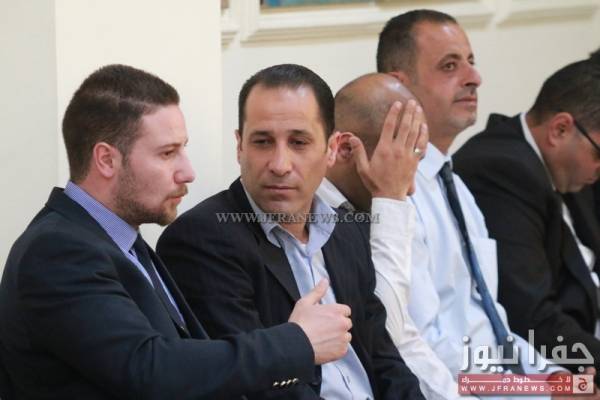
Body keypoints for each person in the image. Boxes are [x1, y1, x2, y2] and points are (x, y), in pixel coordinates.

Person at [0, 64, 354, 400]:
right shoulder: (57, 250)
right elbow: (152, 371)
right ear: (107, 160)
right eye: (168, 153)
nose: (188, 172)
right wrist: (296, 342)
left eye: (183, 149)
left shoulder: (119, 240)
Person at [157, 63, 424, 399]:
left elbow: (386, 361)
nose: (280, 164)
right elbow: (257, 387)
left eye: (298, 142)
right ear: (240, 146)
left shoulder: (346, 230)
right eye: (262, 142)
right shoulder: (201, 241)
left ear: (331, 149)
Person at [376, 9, 560, 382]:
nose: (474, 78)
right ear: (400, 85)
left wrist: (557, 378)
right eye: (449, 66)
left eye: (471, 62)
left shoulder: (456, 185)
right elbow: (426, 348)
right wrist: (533, 392)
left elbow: (493, 324)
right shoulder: (397, 196)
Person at [318, 71, 470, 399]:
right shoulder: (314, 221)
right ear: (344, 149)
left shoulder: (368, 209)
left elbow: (410, 342)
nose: (410, 187)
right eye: (398, 163)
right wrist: (390, 198)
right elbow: (387, 330)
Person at [453, 51, 600, 381]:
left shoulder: (566, 161)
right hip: (540, 366)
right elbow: (532, 319)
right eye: (598, 154)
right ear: (560, 129)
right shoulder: (501, 171)